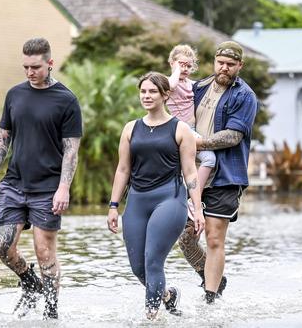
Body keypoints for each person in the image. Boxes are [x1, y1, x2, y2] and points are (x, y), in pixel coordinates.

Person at [0, 38, 82, 320]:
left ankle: (50, 314)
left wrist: (64, 188)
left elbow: (71, 150)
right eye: (25, 66)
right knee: (2, 245)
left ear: (50, 63)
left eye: (35, 66)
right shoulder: (14, 94)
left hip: (48, 188)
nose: (29, 72)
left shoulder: (67, 100)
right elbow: (3, 138)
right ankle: (29, 281)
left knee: (44, 250)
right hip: (14, 183)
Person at [107, 72, 205, 320]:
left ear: (165, 95)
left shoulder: (181, 129)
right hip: (137, 200)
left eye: (152, 91)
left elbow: (190, 171)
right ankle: (169, 296)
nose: (147, 96)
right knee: (138, 268)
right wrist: (113, 205)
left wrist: (198, 208)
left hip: (169, 200)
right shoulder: (131, 128)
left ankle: (151, 318)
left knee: (152, 261)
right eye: (143, 91)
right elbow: (122, 169)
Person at [176, 41, 258, 304]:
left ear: (240, 66)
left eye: (231, 65)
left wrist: (197, 142)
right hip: (192, 173)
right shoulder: (197, 87)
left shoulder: (244, 96)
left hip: (226, 176)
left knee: (213, 238)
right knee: (184, 238)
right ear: (214, 61)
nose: (224, 68)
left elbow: (233, 136)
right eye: (220, 62)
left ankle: (210, 297)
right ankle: (211, 276)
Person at [166, 44, 216, 193]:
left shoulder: (192, 84)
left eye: (189, 66)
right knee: (210, 158)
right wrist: (177, 69)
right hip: (180, 129)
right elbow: (172, 84)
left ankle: (192, 196)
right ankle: (195, 197)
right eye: (182, 64)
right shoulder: (167, 82)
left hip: (193, 130)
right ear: (172, 63)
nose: (185, 69)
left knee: (197, 163)